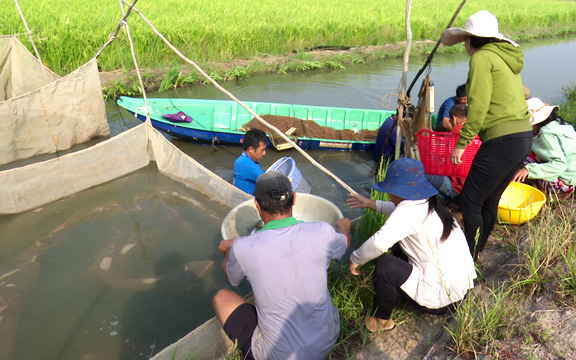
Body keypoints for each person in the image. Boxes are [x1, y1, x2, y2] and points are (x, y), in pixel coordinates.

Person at [213, 171, 352, 360]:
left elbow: (232, 277)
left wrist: (229, 251)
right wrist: (344, 228)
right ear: (294, 199)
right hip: (326, 340)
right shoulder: (322, 231)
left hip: (278, 355)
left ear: (257, 205)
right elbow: (344, 244)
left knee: (221, 298)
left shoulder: (243, 247)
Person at [441, 10, 533, 260]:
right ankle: (477, 252)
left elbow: (478, 105)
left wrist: (463, 141)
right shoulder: (505, 57)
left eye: (465, 41)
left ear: (470, 40)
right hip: (522, 137)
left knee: (469, 200)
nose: (464, 46)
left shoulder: (481, 58)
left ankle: (465, 260)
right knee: (489, 200)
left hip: (503, 139)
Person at [347, 158, 476, 332]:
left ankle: (381, 320)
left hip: (441, 299)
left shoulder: (408, 212)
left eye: (390, 190)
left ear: (398, 191)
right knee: (398, 248)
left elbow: (378, 243)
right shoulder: (431, 204)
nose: (388, 194)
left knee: (386, 265)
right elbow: (399, 213)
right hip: (460, 291)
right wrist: (370, 204)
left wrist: (355, 259)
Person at [512, 97, 576, 194]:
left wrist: (528, 170)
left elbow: (559, 165)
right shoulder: (563, 126)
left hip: (564, 183)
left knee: (524, 155)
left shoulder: (546, 135)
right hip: (573, 178)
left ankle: (532, 185)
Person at [425, 104, 468, 203]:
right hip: (471, 187)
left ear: (454, 118)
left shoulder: (458, 129)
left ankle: (448, 203)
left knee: (421, 174)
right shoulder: (474, 130)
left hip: (457, 189)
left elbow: (443, 159)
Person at [233, 129, 267, 194]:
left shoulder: (250, 160)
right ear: (251, 149)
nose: (264, 153)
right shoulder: (245, 163)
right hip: (246, 202)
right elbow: (266, 179)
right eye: (262, 150)